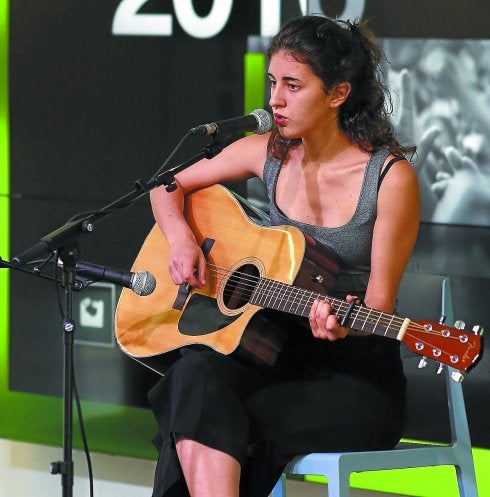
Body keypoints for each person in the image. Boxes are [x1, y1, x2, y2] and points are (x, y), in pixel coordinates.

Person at [147, 15, 420, 497]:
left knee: (205, 414)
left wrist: (344, 323)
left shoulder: (389, 179)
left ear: (337, 93)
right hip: (272, 355)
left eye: (293, 85)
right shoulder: (267, 152)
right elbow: (165, 185)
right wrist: (182, 239)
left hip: (352, 379)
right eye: (273, 82)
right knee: (193, 374)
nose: (275, 99)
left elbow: (379, 305)